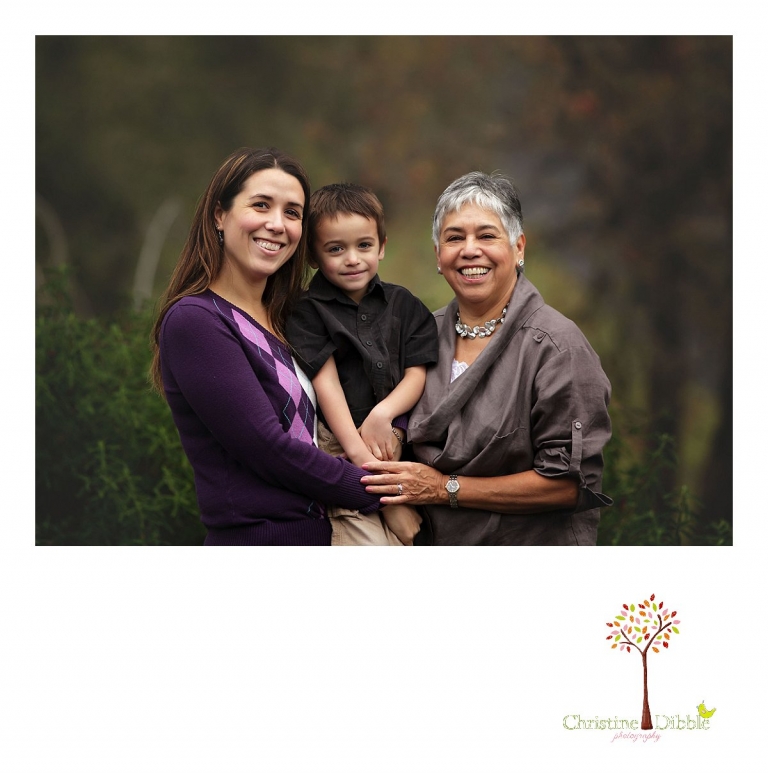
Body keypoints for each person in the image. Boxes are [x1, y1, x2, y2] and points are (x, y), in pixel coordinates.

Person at [361, 171, 612, 545]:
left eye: (487, 235)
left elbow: (568, 486)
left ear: (519, 248)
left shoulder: (556, 346)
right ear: (438, 255)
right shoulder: (418, 335)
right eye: (454, 237)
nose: (469, 250)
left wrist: (443, 488)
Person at [149, 147, 383, 545]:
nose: (277, 224)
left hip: (329, 535)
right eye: (261, 205)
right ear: (219, 215)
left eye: (292, 213)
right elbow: (270, 449)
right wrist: (386, 493)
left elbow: (368, 389)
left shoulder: (294, 320)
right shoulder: (197, 321)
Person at [286, 183, 438, 545]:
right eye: (335, 249)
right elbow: (327, 386)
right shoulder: (307, 312)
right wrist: (359, 457)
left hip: (395, 436)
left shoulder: (405, 305)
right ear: (313, 256)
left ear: (382, 246)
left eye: (364, 246)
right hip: (341, 444)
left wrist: (384, 415)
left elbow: (417, 373)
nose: (352, 258)